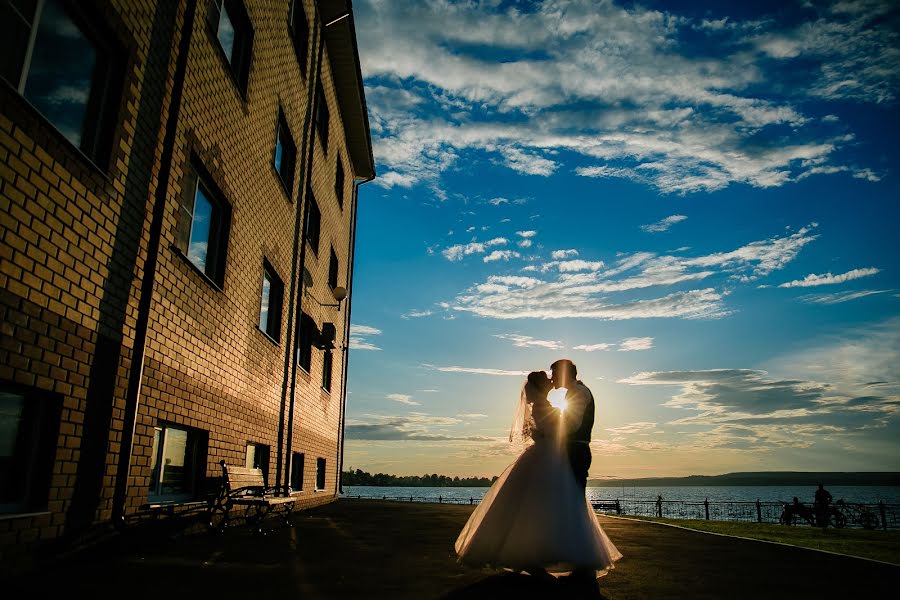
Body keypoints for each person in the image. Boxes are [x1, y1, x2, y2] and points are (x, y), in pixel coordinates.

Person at [454, 369, 621, 581]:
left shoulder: (562, 398)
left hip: (555, 456)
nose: (552, 379)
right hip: (550, 458)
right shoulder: (544, 405)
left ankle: (549, 556)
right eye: (548, 378)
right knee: (547, 506)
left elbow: (561, 427)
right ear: (541, 387)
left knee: (550, 505)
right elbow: (562, 428)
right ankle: (543, 557)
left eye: (554, 375)